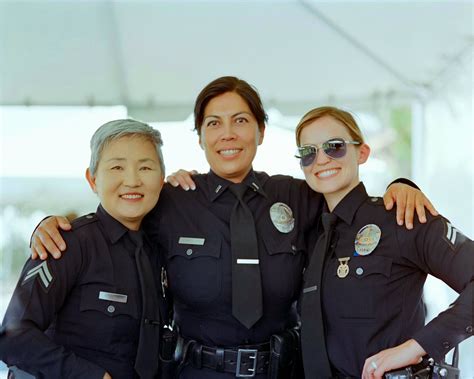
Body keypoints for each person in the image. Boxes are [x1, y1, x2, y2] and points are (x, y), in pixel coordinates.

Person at [28, 77, 436, 379]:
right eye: (213, 123)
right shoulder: (171, 201)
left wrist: (403, 187)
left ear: (260, 130)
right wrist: (49, 226)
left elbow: (344, 194)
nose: (228, 134)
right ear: (200, 138)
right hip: (195, 372)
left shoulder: (297, 196)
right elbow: (116, 214)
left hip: (282, 371)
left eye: (240, 120)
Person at [295, 106, 473, 379]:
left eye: (334, 146)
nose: (321, 160)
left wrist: (419, 347)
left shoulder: (403, 217)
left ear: (362, 153)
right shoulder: (308, 232)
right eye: (308, 152)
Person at [0, 119, 168, 379]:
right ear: (92, 180)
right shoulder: (64, 244)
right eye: (117, 167)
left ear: (161, 179)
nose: (132, 180)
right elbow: (14, 336)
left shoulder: (162, 250)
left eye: (145, 167)